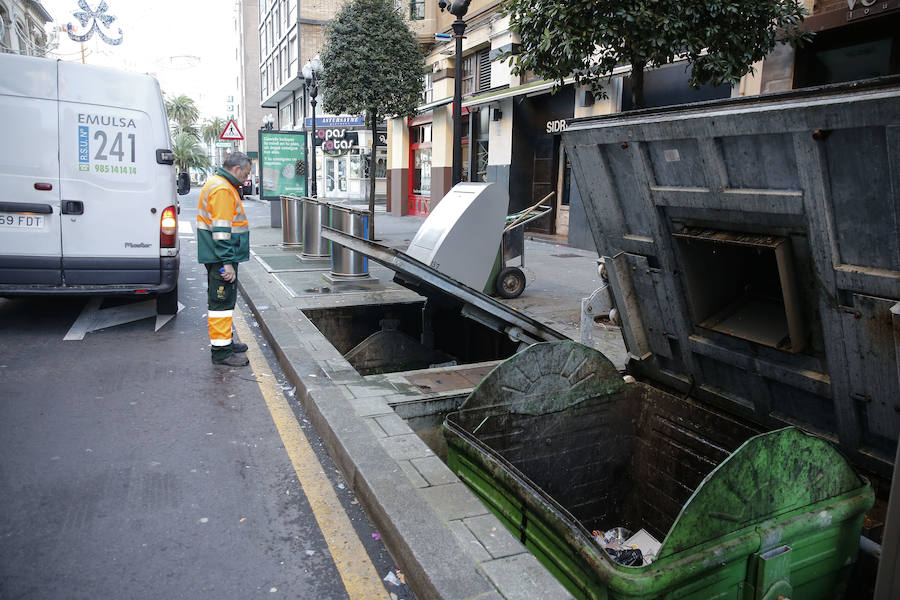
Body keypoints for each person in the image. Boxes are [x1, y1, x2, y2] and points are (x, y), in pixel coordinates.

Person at [197, 152, 252, 367]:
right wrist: (227, 262)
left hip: (218, 255)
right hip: (221, 257)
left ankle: (226, 343)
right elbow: (221, 230)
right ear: (237, 169)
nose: (247, 178)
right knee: (221, 303)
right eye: (246, 173)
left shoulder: (219, 184)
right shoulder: (222, 189)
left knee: (225, 302)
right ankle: (221, 353)